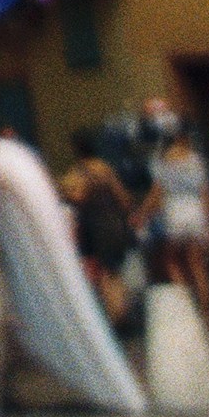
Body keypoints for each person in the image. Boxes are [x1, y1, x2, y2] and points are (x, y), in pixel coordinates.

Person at [141, 106, 209, 318]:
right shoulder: (195, 160)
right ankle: (207, 314)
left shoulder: (163, 161)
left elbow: (157, 194)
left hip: (175, 211)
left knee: (171, 260)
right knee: (198, 265)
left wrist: (142, 215)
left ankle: (187, 304)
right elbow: (206, 192)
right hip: (196, 211)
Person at [59, 138, 140, 328]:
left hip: (97, 228)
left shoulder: (81, 172)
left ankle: (115, 318)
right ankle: (122, 314)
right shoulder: (106, 169)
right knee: (115, 272)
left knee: (105, 275)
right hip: (114, 225)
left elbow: (75, 195)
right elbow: (124, 198)